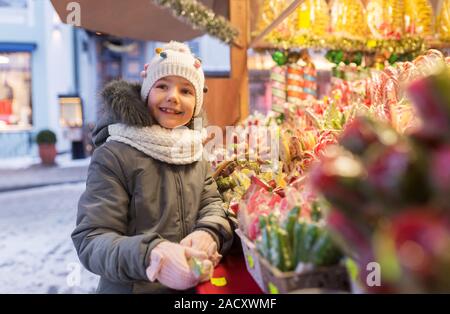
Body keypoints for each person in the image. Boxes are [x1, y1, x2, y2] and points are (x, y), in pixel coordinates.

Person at [71, 41, 233, 294]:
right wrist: (152, 255)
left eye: (186, 91)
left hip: (190, 289)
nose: (173, 97)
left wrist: (209, 232)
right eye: (162, 86)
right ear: (147, 92)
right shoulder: (114, 155)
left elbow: (211, 203)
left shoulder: (194, 150)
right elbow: (91, 239)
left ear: (197, 103)